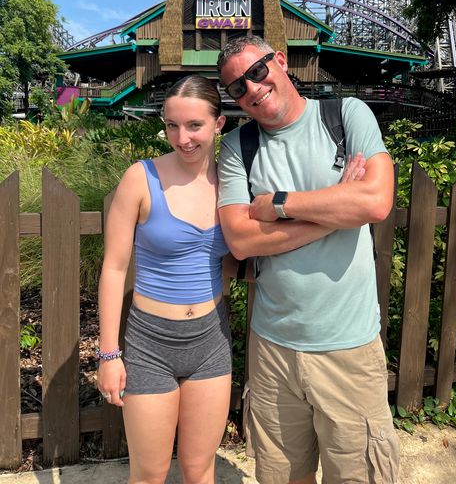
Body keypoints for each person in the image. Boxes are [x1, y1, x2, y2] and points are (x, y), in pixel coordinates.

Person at [216, 35, 400, 484]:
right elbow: (241, 239)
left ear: (279, 60)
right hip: (273, 348)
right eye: (238, 87)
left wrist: (279, 204)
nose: (252, 89)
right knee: (280, 476)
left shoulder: (346, 115)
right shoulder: (238, 146)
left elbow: (375, 202)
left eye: (257, 71)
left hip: (348, 347)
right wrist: (337, 208)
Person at [96, 75, 232, 484]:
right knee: (150, 473)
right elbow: (114, 268)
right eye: (172, 125)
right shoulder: (141, 178)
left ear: (218, 124)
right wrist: (108, 355)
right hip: (150, 344)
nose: (182, 137)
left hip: (211, 341)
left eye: (194, 126)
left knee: (199, 469)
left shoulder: (232, 181)